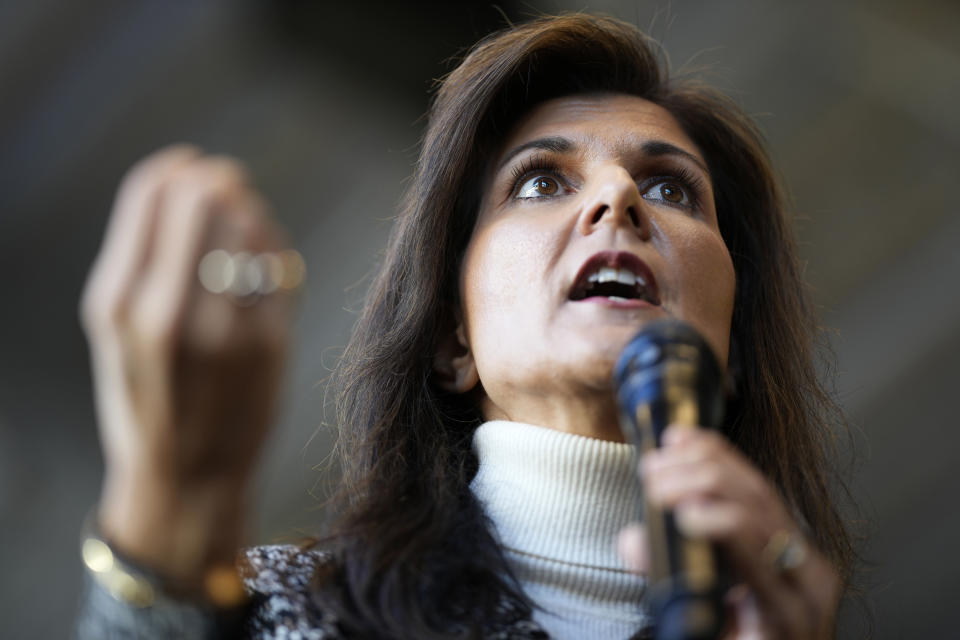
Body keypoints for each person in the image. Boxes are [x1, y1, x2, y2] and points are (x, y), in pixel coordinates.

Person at [75, 13, 854, 640]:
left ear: (735, 347)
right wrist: (164, 545)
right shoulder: (286, 612)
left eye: (673, 189)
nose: (618, 196)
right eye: (542, 180)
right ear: (454, 340)